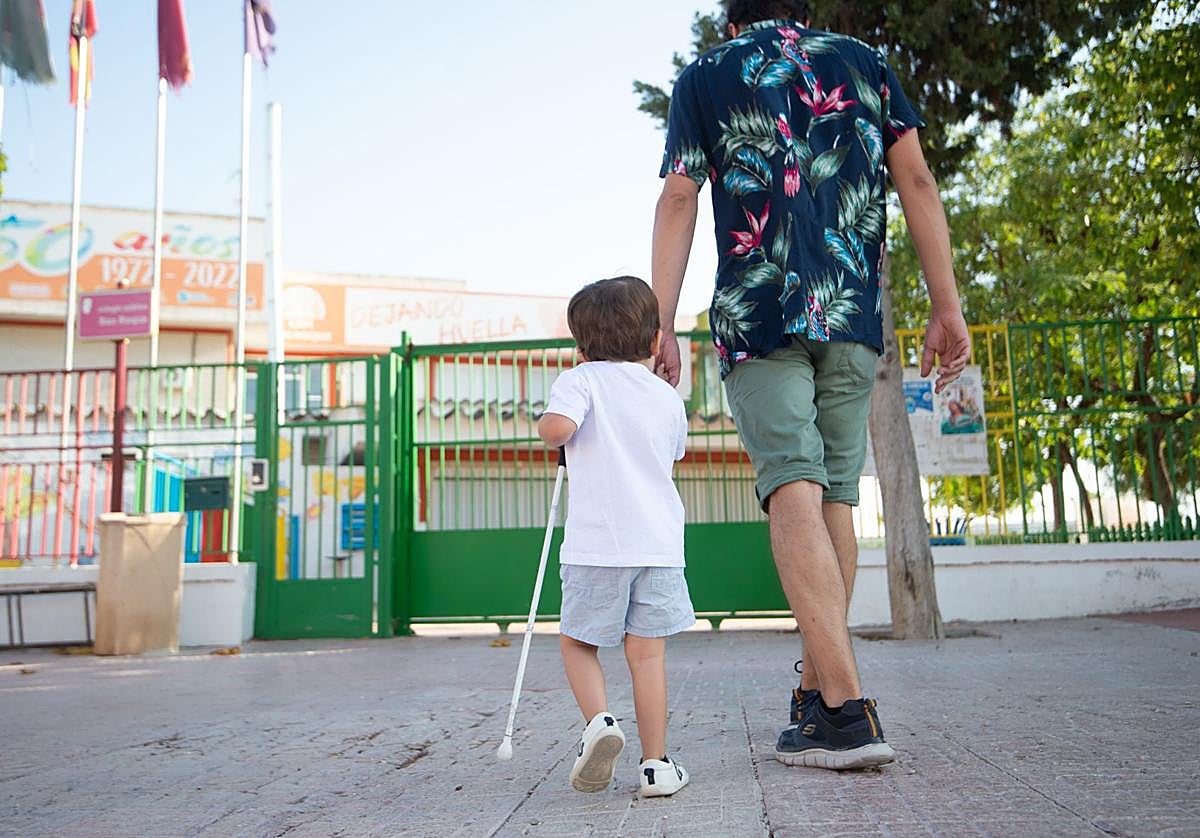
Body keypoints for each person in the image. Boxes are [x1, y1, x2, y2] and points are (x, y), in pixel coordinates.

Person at [650, 0, 971, 770]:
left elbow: (679, 195)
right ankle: (817, 696)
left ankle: (848, 712)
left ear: (733, 21)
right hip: (853, 309)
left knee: (792, 487)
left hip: (760, 310)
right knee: (833, 495)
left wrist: (658, 323)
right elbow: (918, 181)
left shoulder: (707, 73)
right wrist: (946, 305)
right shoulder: (865, 64)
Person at [537, 276, 694, 797]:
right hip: (659, 548)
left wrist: (556, 429)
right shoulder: (667, 398)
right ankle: (656, 766)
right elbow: (671, 456)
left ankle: (600, 722)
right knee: (647, 657)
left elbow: (558, 429)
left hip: (597, 548)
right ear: (654, 342)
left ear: (580, 347)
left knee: (578, 641)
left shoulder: (579, 381)